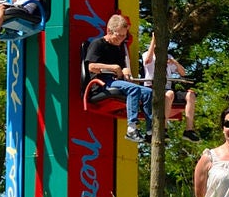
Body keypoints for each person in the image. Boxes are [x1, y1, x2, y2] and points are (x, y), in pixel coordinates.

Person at [82, 14, 152, 143]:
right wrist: (114, 67)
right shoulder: (97, 44)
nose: (121, 39)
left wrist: (125, 71)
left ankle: (150, 131)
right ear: (109, 31)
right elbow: (91, 66)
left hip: (117, 81)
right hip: (102, 82)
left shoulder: (119, 47)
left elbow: (122, 67)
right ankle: (131, 129)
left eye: (124, 36)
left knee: (148, 93)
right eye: (118, 35)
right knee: (133, 90)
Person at [140, 40, 196, 129]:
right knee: (170, 94)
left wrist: (174, 62)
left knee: (190, 95)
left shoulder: (169, 57)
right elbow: (147, 61)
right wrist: (154, 39)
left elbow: (183, 73)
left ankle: (189, 129)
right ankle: (164, 127)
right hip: (153, 88)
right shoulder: (147, 54)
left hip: (167, 88)